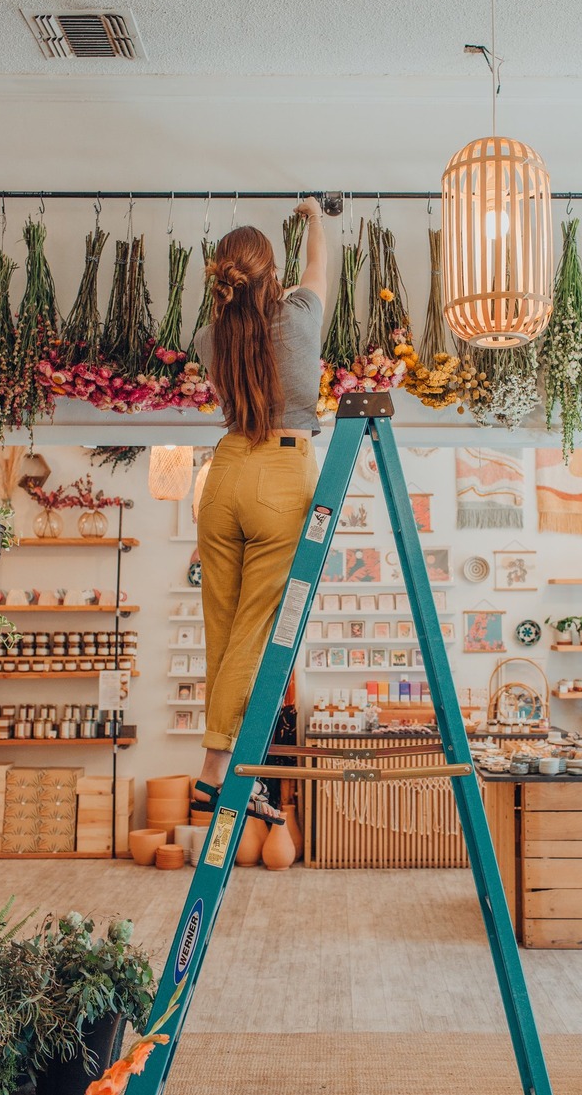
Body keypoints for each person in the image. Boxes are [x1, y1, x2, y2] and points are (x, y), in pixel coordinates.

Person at [191, 197, 327, 824]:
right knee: (257, 629)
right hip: (281, 471)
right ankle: (221, 767)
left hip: (222, 476)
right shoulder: (298, 319)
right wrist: (316, 225)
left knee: (223, 627)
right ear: (272, 275)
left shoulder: (207, 336)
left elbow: (241, 314)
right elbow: (315, 281)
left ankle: (221, 768)